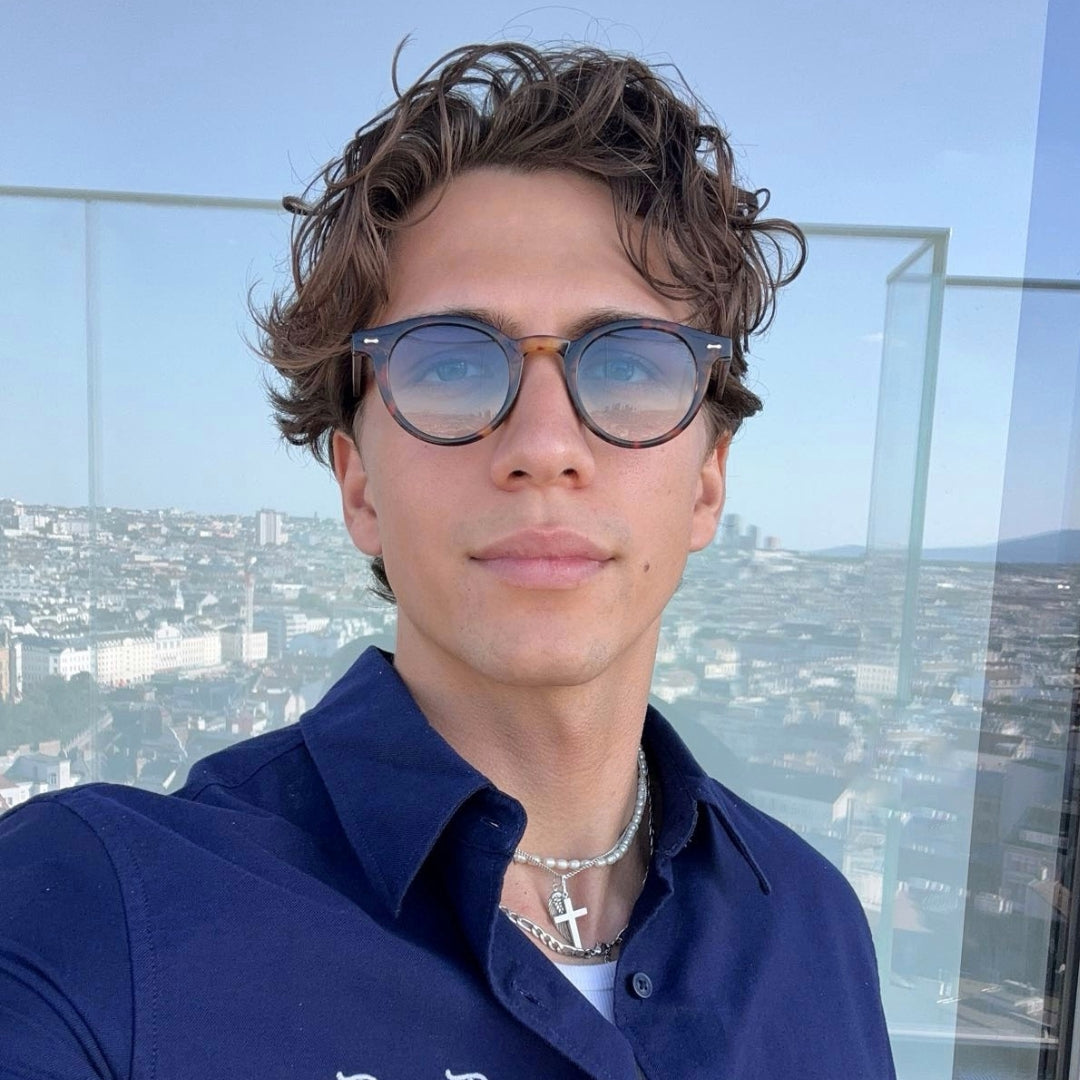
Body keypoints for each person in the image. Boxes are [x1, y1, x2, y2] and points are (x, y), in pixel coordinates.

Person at [0, 42, 895, 1079]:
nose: (546, 445)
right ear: (360, 488)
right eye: (454, 364)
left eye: (631, 365)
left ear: (706, 483)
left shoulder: (815, 928)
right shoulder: (102, 923)